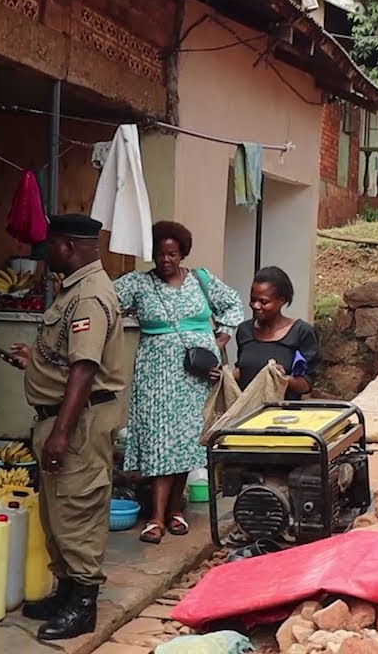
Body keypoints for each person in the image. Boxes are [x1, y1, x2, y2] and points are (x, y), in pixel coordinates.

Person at [10, 214, 125, 641]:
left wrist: (60, 433)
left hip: (77, 423)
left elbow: (84, 369)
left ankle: (84, 604)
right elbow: (68, 358)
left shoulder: (89, 296)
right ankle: (66, 591)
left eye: (52, 244)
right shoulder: (75, 289)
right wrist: (35, 363)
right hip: (63, 417)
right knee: (57, 513)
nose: (46, 253)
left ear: (68, 247)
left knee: (78, 512)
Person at [113, 221, 245, 545]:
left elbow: (233, 304)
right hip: (155, 377)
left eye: (172, 253)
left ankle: (175, 511)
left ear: (182, 253)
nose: (166, 260)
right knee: (161, 442)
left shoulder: (201, 279)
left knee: (186, 442)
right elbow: (103, 302)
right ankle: (156, 518)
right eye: (160, 253)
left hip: (195, 378)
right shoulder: (138, 283)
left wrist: (220, 341)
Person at [233, 266, 320, 399]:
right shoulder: (245, 330)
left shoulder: (302, 332)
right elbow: (242, 371)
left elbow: (306, 385)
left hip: (282, 410)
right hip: (248, 410)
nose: (256, 306)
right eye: (253, 300)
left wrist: (283, 378)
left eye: (264, 302)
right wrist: (223, 376)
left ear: (282, 300)